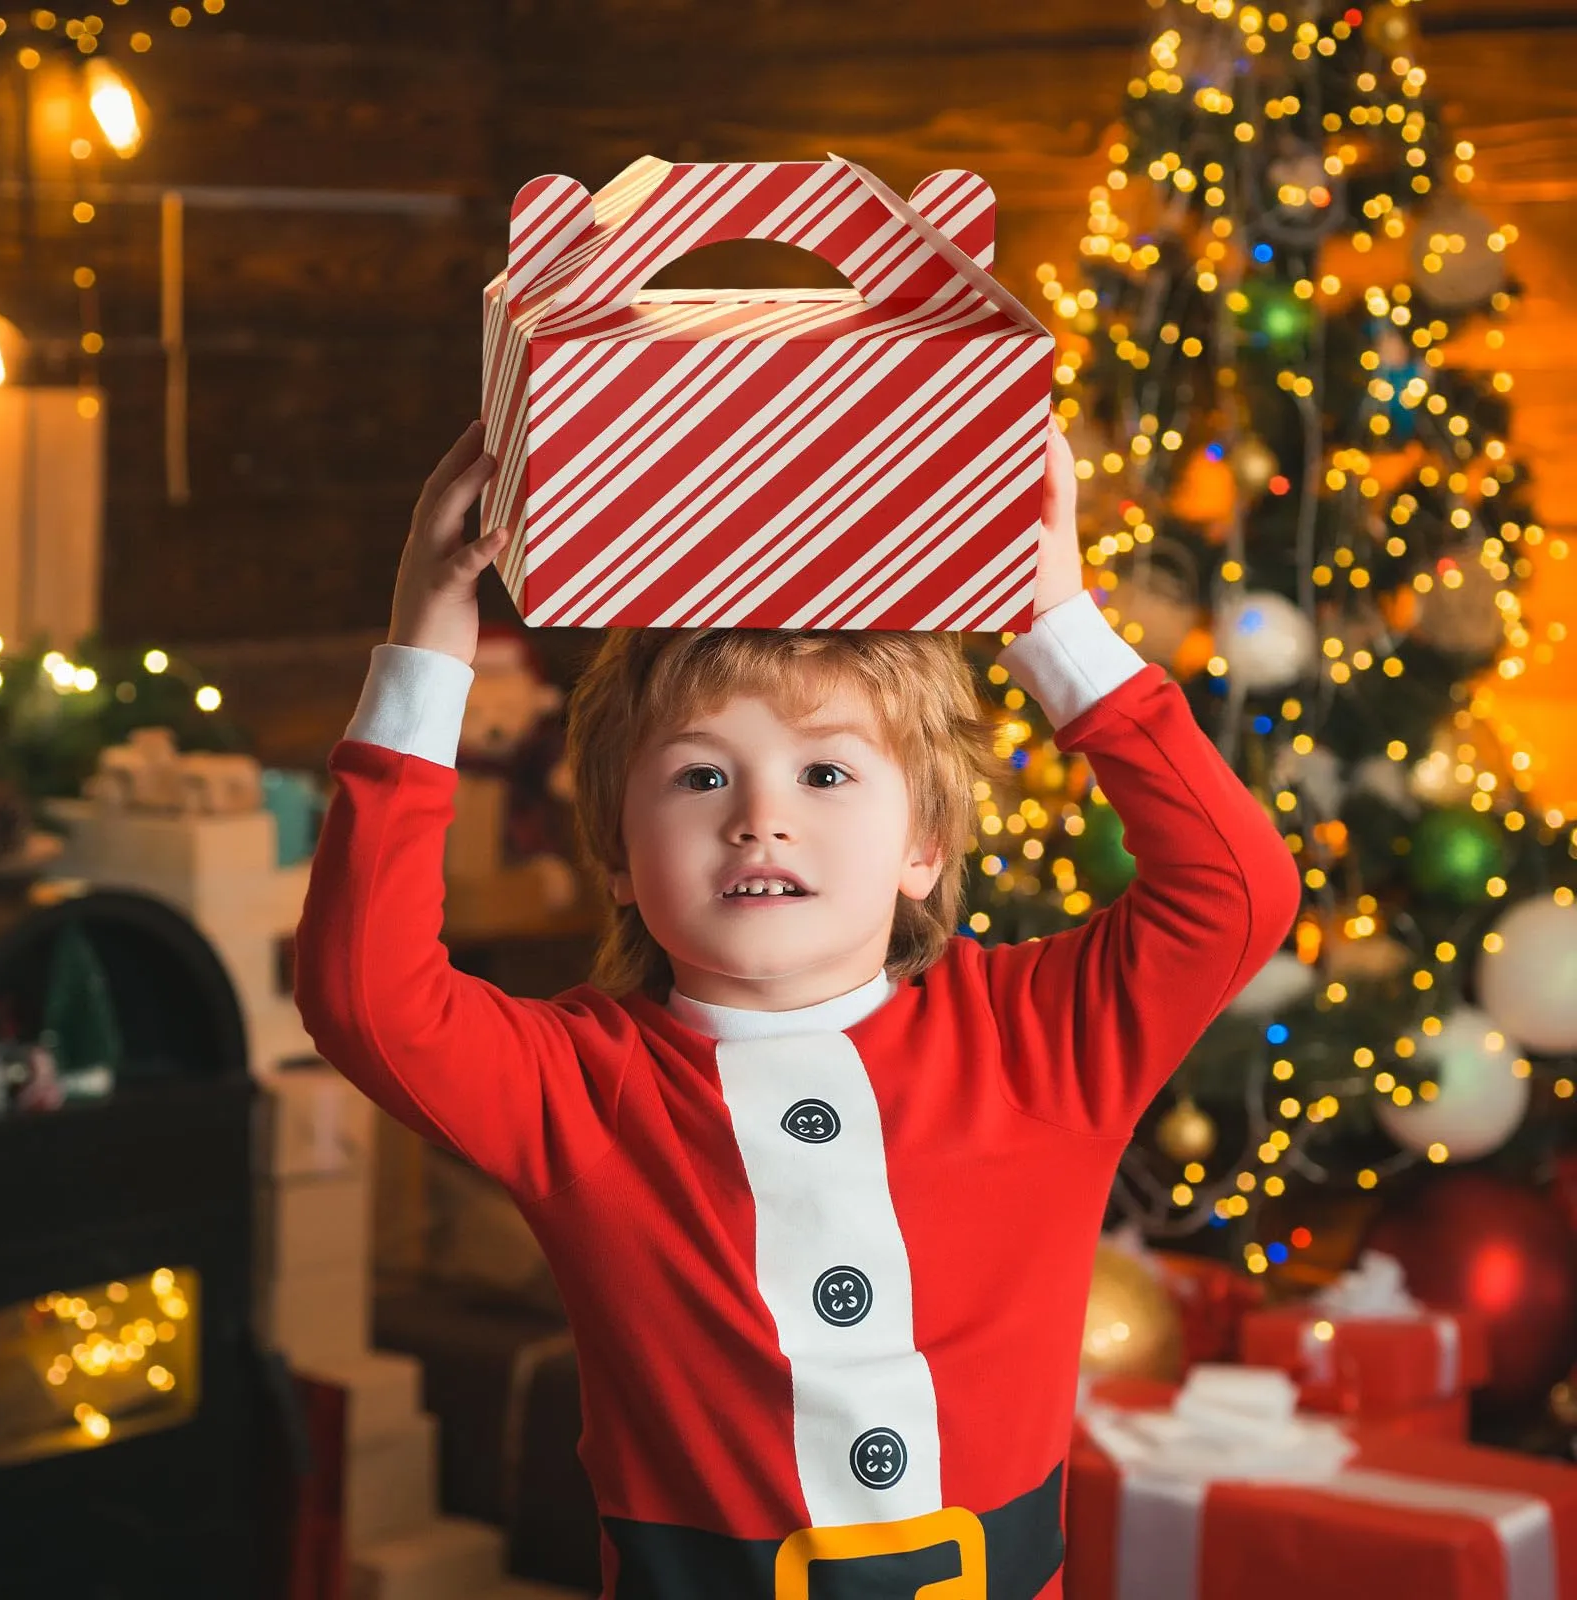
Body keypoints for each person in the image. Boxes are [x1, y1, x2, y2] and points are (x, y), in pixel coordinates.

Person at [294, 416, 1302, 1600]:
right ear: (618, 852)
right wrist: (429, 644)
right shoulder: (582, 1088)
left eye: (825, 773)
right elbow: (365, 993)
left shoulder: (1038, 1039)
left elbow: (1234, 893)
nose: (759, 817)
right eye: (700, 774)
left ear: (925, 841)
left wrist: (1050, 622)